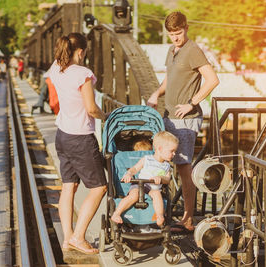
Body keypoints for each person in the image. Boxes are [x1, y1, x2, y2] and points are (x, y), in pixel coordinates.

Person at [147, 11, 219, 233]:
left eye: (178, 33)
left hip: (186, 119)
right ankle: (163, 211)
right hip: (169, 116)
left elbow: (213, 79)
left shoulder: (193, 50)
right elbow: (170, 78)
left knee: (184, 167)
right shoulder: (172, 50)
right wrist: (156, 94)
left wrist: (192, 103)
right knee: (165, 162)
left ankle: (188, 218)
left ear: (186, 28)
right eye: (171, 34)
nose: (175, 37)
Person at [49, 32, 107, 254]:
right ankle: (79, 237)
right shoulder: (83, 74)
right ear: (81, 52)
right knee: (98, 187)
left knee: (68, 186)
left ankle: (67, 238)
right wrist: (106, 116)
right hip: (81, 139)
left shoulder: (57, 67)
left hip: (62, 135)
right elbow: (91, 108)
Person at [111, 131, 179, 227]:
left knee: (157, 195)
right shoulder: (147, 159)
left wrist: (161, 178)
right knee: (134, 195)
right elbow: (134, 169)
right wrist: (129, 174)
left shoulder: (167, 166)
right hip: (139, 185)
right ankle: (116, 213)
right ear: (160, 149)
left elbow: (167, 180)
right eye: (172, 151)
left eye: (175, 151)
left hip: (153, 188)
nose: (174, 154)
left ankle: (159, 216)